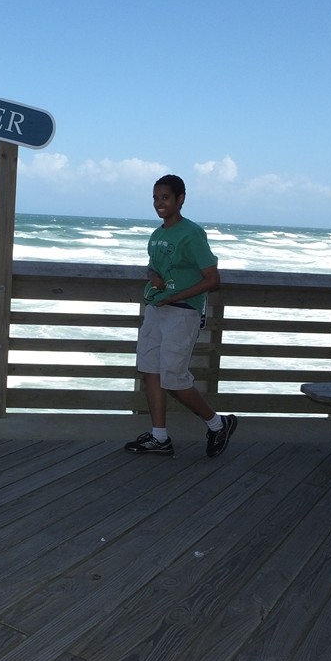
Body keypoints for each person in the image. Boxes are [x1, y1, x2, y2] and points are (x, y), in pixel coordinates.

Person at [125, 174, 237, 457]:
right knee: (150, 370)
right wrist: (154, 276)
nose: (158, 203)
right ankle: (159, 438)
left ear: (180, 199)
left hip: (183, 312)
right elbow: (153, 267)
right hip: (156, 309)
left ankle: (218, 424)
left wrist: (175, 297)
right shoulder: (158, 235)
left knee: (173, 378)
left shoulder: (192, 234)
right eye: (155, 198)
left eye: (165, 197)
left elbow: (213, 279)